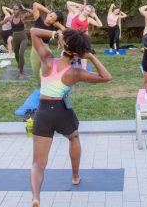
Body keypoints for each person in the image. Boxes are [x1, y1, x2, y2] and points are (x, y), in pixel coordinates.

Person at [30, 27, 112, 207]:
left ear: (63, 45)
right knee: (73, 137)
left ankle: (36, 196)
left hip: (43, 111)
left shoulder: (47, 59)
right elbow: (106, 77)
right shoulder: (76, 73)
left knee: (38, 163)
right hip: (61, 110)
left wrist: (55, 34)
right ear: (78, 52)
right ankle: (75, 176)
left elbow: (33, 32)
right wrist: (90, 56)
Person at [30, 2, 65, 82]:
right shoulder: (38, 20)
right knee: (36, 74)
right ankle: (43, 87)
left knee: (47, 71)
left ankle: (51, 86)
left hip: (45, 50)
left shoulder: (54, 28)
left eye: (53, 19)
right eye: (50, 16)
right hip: (34, 50)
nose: (50, 19)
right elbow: (35, 4)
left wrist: (58, 25)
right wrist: (49, 12)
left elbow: (66, 31)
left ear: (55, 22)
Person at [67, 2, 102, 69]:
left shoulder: (89, 19)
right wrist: (78, 5)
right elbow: (68, 3)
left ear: (90, 13)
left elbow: (100, 25)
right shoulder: (77, 12)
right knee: (73, 53)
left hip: (82, 38)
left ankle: (84, 69)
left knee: (83, 53)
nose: (86, 11)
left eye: (88, 11)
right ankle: (75, 68)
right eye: (86, 9)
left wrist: (95, 16)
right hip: (72, 36)